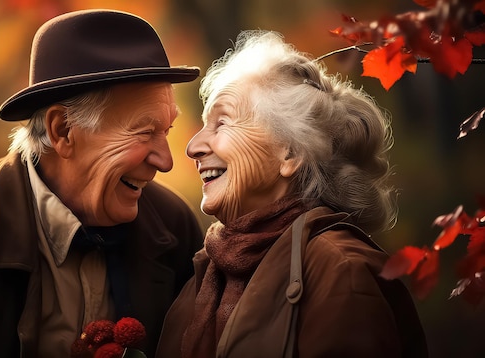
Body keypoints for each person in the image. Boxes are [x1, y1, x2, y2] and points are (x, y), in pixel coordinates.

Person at [0, 9, 205, 358]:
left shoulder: (173, 228)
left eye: (166, 131)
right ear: (63, 131)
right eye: (144, 132)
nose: (165, 161)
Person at [155, 30, 428, 358]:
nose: (192, 147)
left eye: (222, 123)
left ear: (289, 154)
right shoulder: (200, 280)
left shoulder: (341, 271)